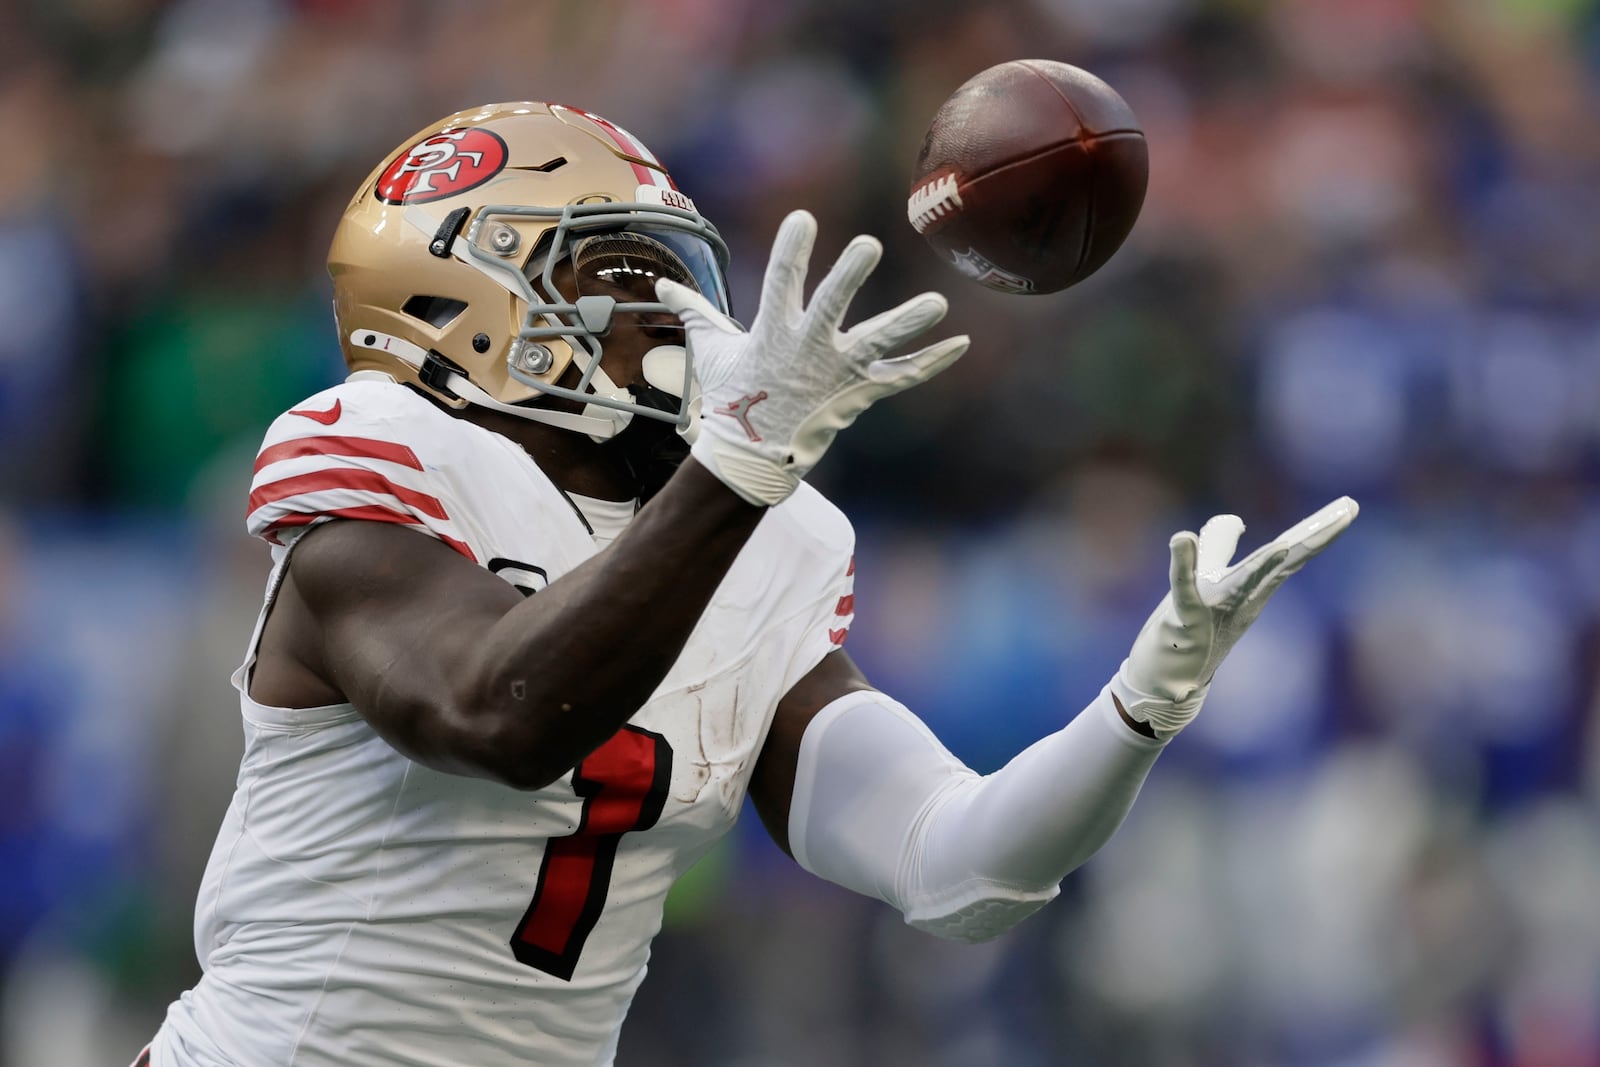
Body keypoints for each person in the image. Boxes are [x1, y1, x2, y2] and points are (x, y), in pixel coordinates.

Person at [139, 101, 1357, 1067]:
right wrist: (738, 460)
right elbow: (494, 713)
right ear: (459, 301)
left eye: (672, 273)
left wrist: (1136, 713)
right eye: (611, 272)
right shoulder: (376, 450)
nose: (665, 312)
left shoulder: (764, 535)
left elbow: (957, 867)